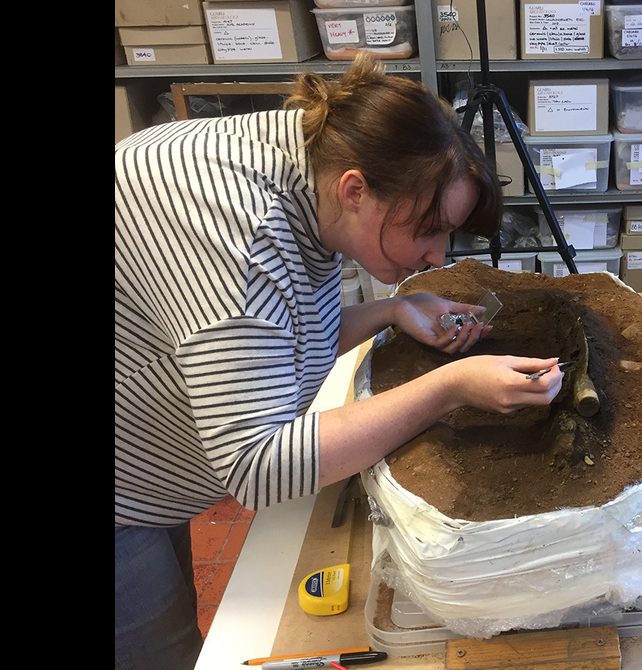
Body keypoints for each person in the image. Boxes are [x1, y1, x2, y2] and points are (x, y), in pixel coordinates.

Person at [114, 53, 565, 670]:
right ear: (356, 189)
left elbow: (276, 332)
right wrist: (449, 386)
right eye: (428, 230)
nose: (436, 256)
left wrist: (391, 313)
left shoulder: (304, 163)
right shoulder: (241, 235)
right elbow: (258, 466)